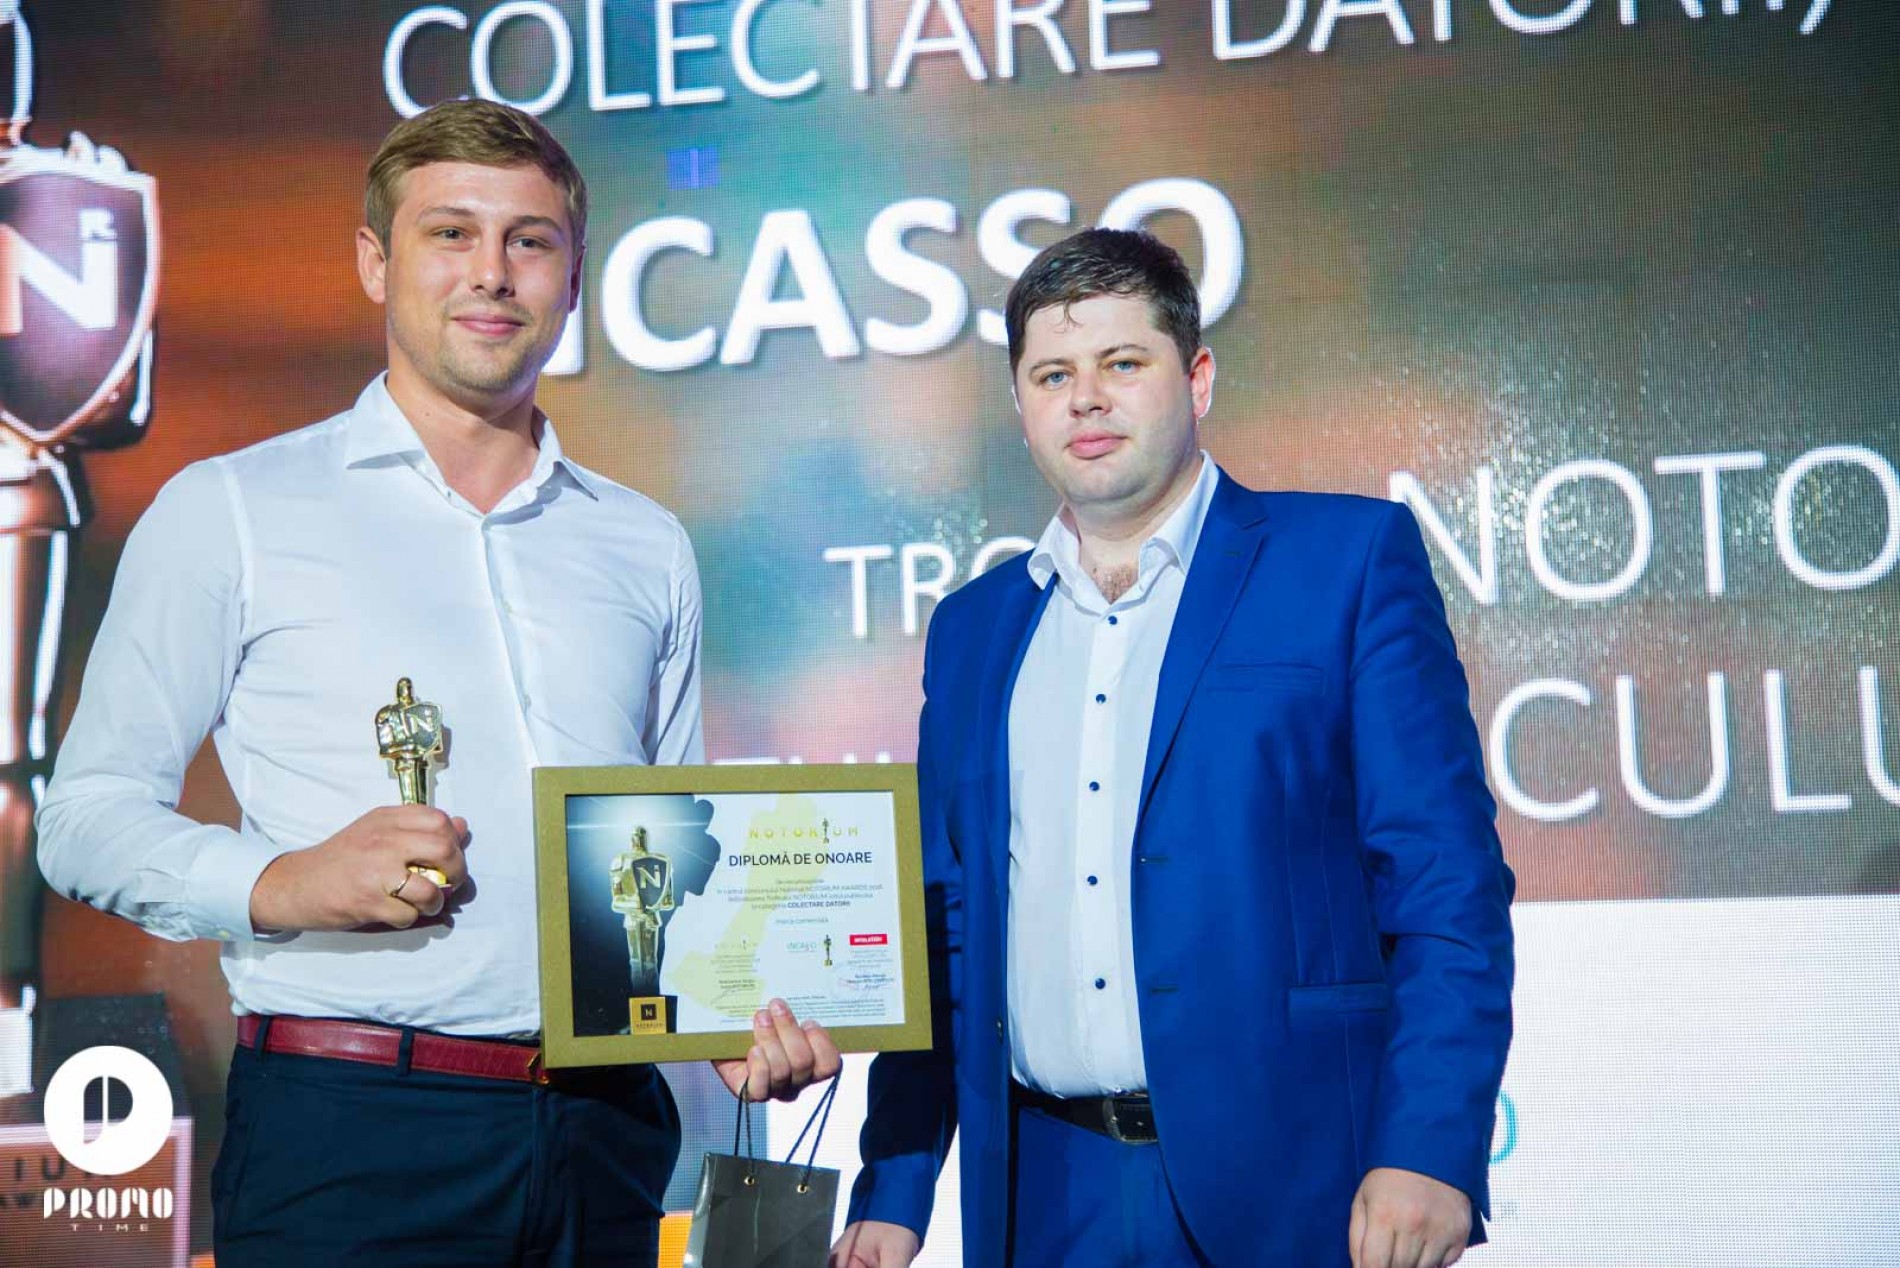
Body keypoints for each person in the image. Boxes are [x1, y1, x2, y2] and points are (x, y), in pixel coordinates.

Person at [37, 99, 839, 1267]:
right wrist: (284, 880)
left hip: (607, 1133)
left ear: (573, 278)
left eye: (530, 240)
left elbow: (661, 839)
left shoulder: (643, 541)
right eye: (450, 233)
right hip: (354, 1131)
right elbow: (83, 818)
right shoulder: (234, 509)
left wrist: (721, 1010)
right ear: (376, 262)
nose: (492, 272)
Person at [832, 229, 1514, 1268]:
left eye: (1122, 363)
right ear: (1020, 404)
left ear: (1196, 379)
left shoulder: (1345, 562)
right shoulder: (972, 630)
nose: (1085, 399)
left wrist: (1429, 1145)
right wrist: (895, 1183)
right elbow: (946, 930)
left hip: (1302, 1183)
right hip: (1046, 1196)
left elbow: (1443, 883)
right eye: (1053, 375)